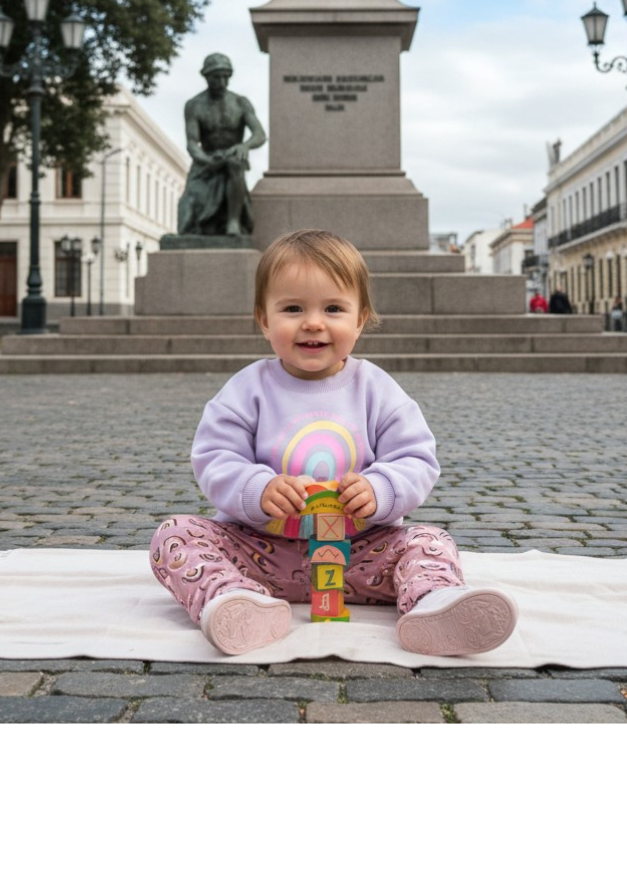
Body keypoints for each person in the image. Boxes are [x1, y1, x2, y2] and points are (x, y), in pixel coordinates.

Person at [150, 229, 519, 657]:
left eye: (333, 308)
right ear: (264, 319)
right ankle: (233, 601)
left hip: (360, 555)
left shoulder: (375, 388)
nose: (312, 322)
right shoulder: (247, 388)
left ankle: (432, 603)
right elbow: (215, 457)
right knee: (174, 535)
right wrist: (258, 488)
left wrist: (379, 489)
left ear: (360, 319)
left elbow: (416, 457)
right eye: (292, 308)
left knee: (430, 542)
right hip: (258, 552)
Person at [176, 53, 266, 238]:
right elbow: (192, 143)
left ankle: (233, 222)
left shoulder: (240, 102)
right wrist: (207, 160)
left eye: (226, 76)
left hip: (233, 159)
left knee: (235, 163)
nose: (222, 82)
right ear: (206, 76)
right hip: (207, 162)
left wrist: (244, 146)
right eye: (217, 77)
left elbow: (260, 134)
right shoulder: (194, 105)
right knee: (187, 221)